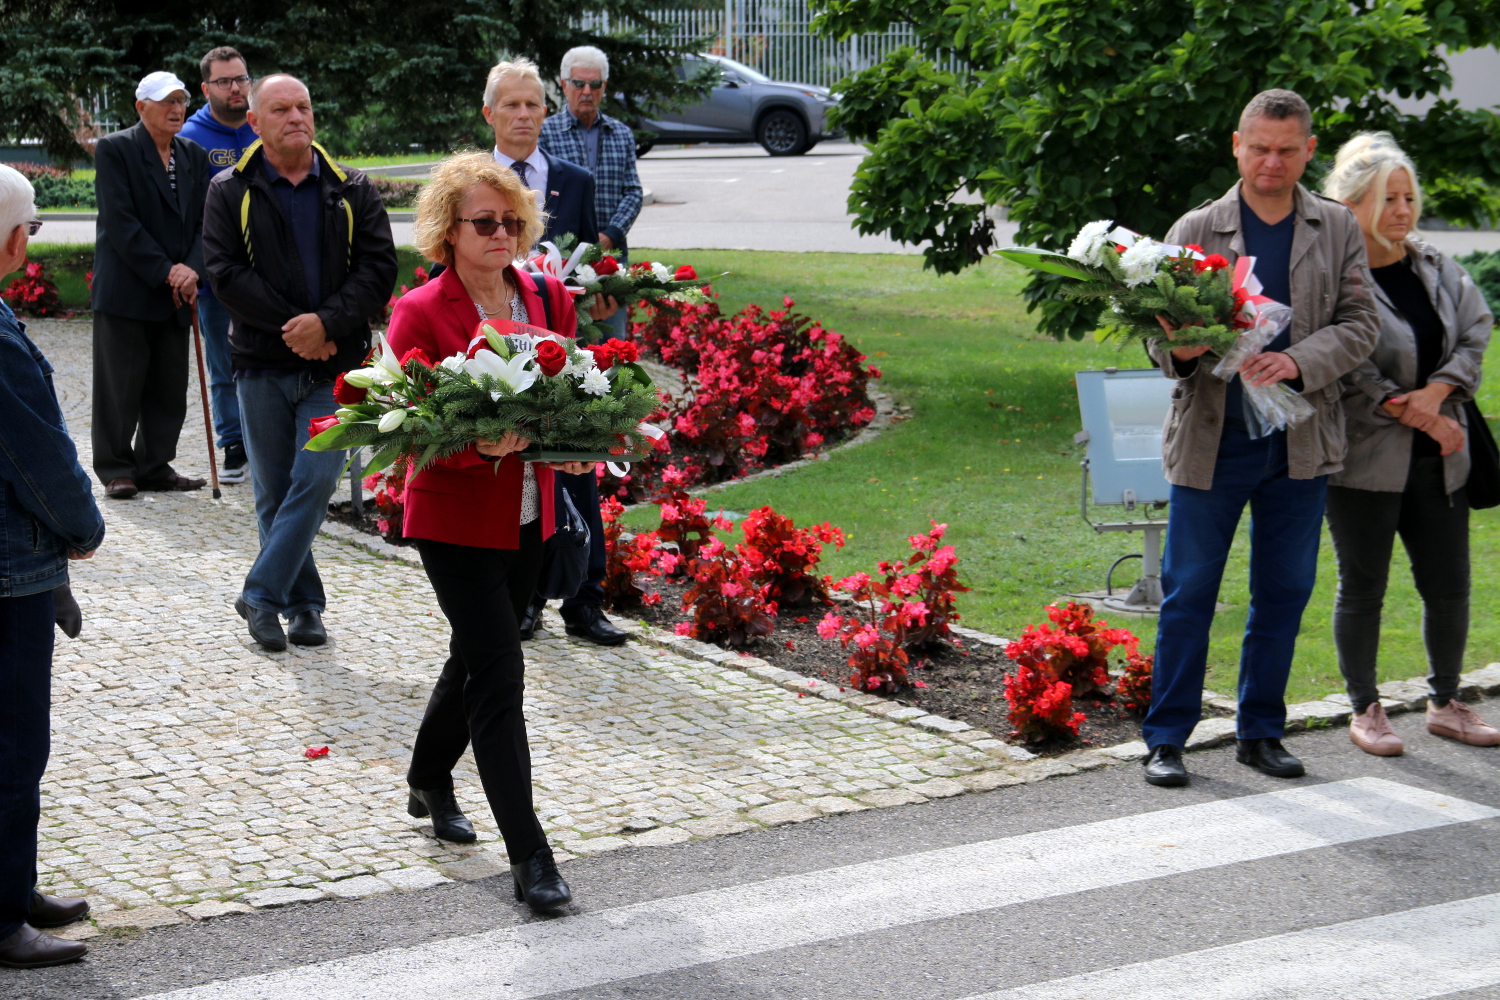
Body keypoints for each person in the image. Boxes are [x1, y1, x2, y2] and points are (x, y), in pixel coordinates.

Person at [1140, 89, 1380, 787]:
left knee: (1283, 592)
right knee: (1189, 593)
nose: (1271, 162)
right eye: (1259, 147)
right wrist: (1182, 349)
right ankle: (1167, 738)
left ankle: (1260, 732)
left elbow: (1361, 325)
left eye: (1286, 150)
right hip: (1212, 440)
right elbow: (1161, 348)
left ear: (1309, 152)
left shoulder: (1335, 228)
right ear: (1236, 146)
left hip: (1300, 444)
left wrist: (1299, 361)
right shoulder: (1197, 226)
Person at [386, 152, 589, 911]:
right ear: (448, 229)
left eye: (511, 220)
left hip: (529, 516)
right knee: (501, 673)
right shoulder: (421, 311)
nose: (501, 232)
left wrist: (574, 444)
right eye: (484, 221)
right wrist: (480, 444)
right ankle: (531, 857)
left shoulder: (545, 297)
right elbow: (410, 427)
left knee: (473, 655)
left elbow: (571, 387)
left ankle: (429, 775)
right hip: (453, 516)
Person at [202, 75, 396, 651]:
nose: (296, 117)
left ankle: (259, 594)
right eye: (281, 109)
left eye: (304, 107)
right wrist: (298, 329)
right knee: (273, 490)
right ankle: (305, 605)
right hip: (260, 363)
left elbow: (378, 269)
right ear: (255, 123)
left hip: (335, 367)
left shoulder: (352, 188)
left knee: (313, 481)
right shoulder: (228, 189)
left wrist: (328, 325)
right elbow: (225, 274)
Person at [1319, 134, 1497, 755]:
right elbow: (1345, 364)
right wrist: (1414, 410)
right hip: (1364, 461)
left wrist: (1441, 388)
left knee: (1449, 584)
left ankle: (1446, 703)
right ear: (1353, 206)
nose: (1403, 210)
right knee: (1363, 586)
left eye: (1408, 197)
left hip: (1441, 460)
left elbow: (1476, 328)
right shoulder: (1337, 276)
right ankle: (1365, 709)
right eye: (1388, 199)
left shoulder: (1432, 265)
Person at [483, 58, 628, 648]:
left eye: (532, 104)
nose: (523, 114)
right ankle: (526, 599)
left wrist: (594, 297)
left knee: (578, 466)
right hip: (494, 348)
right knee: (518, 469)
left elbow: (586, 265)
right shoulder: (472, 182)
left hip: (563, 347)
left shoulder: (574, 179)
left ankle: (585, 600)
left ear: (548, 111)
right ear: (489, 113)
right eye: (510, 105)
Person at [0, 165, 105, 968]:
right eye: (29, 230)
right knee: (12, 743)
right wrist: (82, 526)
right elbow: (34, 454)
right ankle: (3, 915)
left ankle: (13, 882)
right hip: (8, 569)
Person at [90, 71, 212, 499]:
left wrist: (193, 269)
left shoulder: (193, 155)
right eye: (167, 102)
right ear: (142, 108)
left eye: (181, 101)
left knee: (168, 386)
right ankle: (116, 468)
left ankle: (154, 464)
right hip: (128, 287)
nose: (177, 109)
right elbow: (121, 225)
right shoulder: (115, 149)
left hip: (178, 290)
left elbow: (205, 223)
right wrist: (168, 270)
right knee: (119, 386)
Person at [180, 46, 259, 485]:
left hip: (271, 275)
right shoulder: (191, 138)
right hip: (217, 278)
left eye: (242, 79)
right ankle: (233, 443)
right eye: (225, 81)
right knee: (224, 362)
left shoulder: (262, 127)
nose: (236, 88)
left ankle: (267, 438)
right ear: (206, 88)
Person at [538, 44, 644, 339]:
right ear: (563, 85)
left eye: (594, 83)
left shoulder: (621, 134)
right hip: (563, 260)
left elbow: (633, 192)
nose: (587, 90)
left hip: (612, 259)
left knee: (612, 340)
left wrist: (609, 235)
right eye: (578, 83)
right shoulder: (544, 134)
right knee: (564, 339)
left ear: (604, 86)